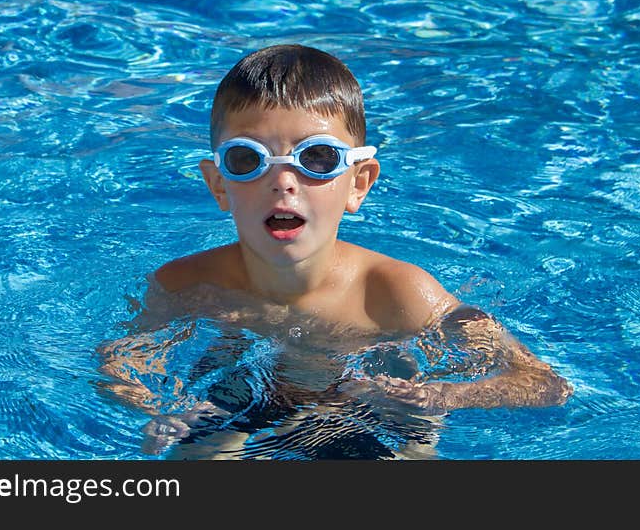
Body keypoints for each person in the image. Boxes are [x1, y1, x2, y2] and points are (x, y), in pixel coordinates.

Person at [97, 44, 572, 458]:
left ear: (358, 184)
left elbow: (544, 384)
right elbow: (119, 363)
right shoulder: (186, 284)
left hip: (369, 409)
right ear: (219, 184)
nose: (283, 181)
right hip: (246, 394)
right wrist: (159, 407)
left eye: (316, 159)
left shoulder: (398, 293)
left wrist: (439, 396)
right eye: (249, 160)